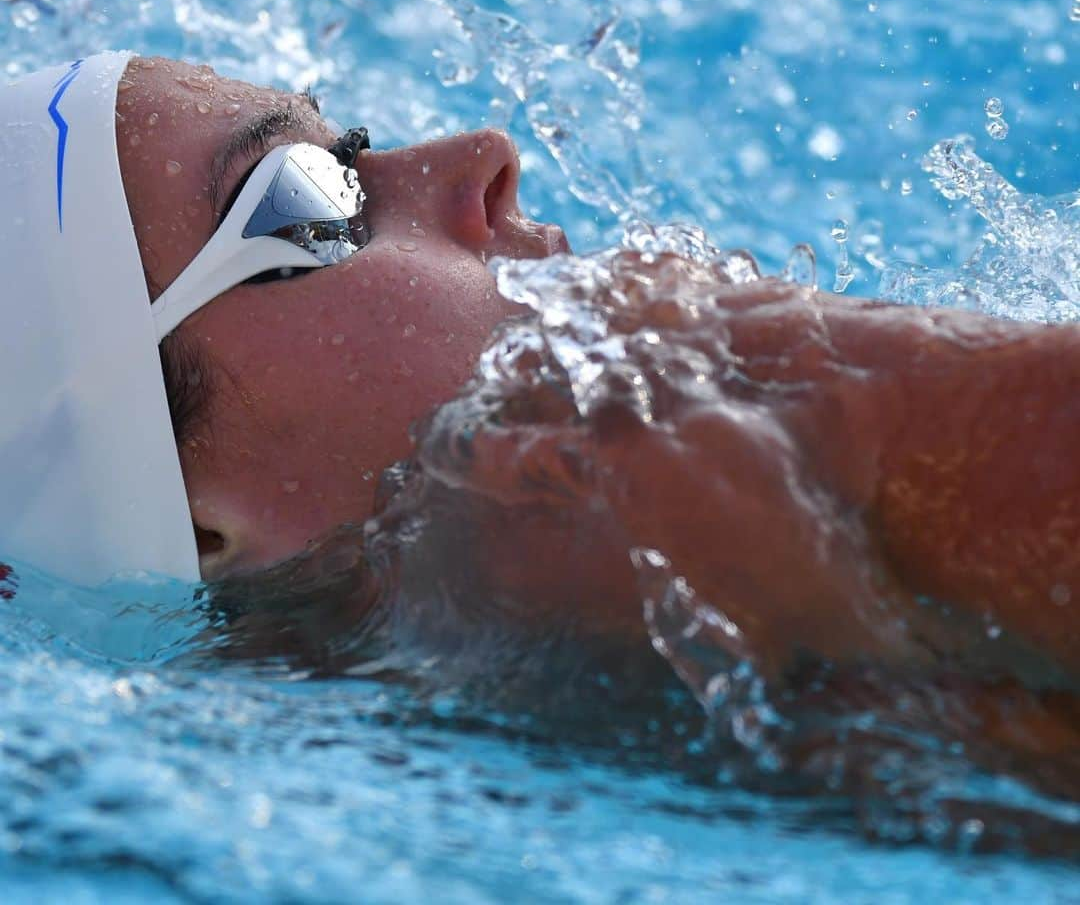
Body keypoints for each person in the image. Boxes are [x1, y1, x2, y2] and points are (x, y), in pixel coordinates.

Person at [0, 52, 1076, 694]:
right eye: (310, 204)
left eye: (357, 141)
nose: (480, 153)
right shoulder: (709, 436)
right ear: (193, 533)